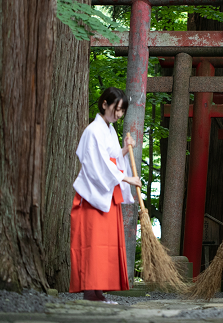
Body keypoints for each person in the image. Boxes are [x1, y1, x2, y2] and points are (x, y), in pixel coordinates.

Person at [69, 87, 141, 304]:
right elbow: (96, 164)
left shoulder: (109, 130)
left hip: (107, 193)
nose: (119, 115)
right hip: (93, 196)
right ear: (104, 104)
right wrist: (126, 179)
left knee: (106, 244)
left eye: (122, 111)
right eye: (117, 109)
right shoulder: (93, 130)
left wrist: (125, 151)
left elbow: (111, 158)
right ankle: (91, 292)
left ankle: (98, 292)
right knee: (93, 243)